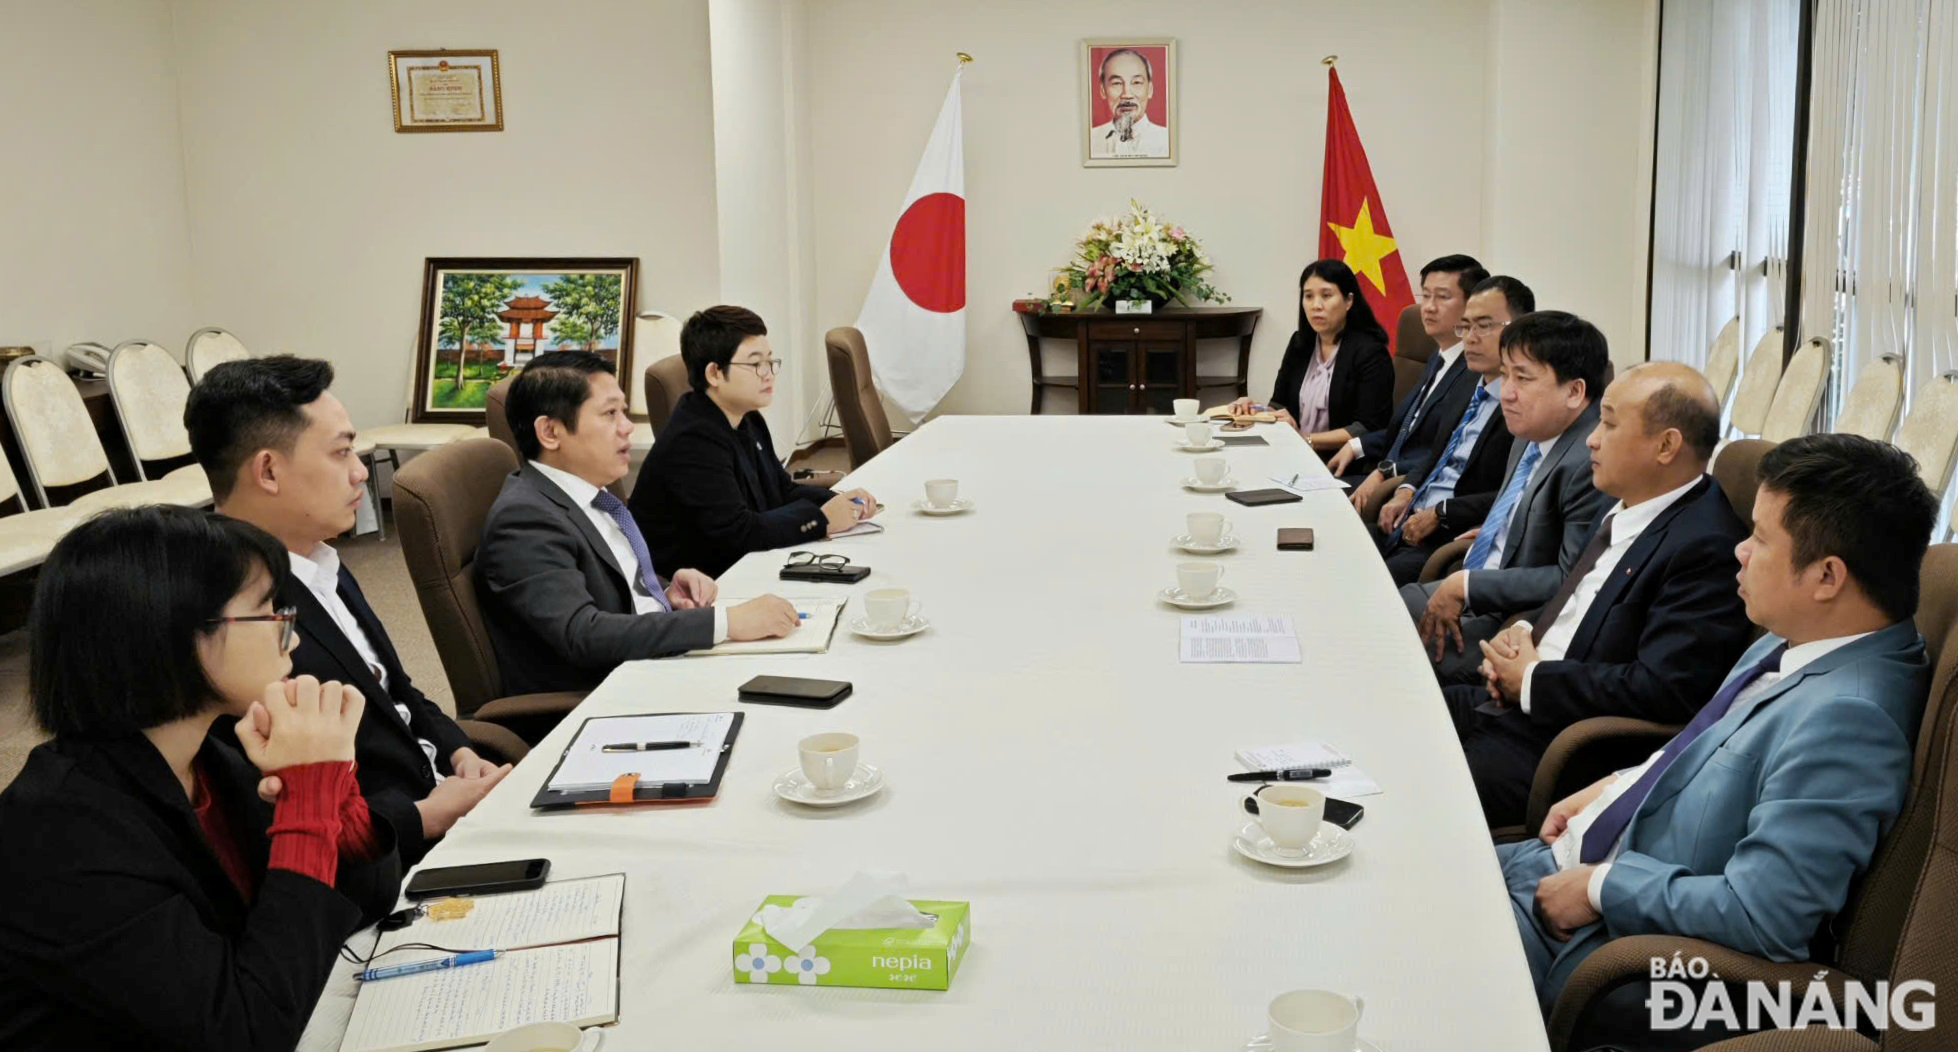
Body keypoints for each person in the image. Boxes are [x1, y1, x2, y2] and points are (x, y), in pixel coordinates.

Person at [1498, 433, 1936, 1013]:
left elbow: (1765, 914)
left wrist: (1601, 889)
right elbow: (1709, 744)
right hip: (1568, 859)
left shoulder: (1851, 719)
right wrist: (1613, 790)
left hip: (1593, 931)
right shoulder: (1796, 638)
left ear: (1828, 577)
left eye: (1758, 538)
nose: (1740, 551)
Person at [0, 506, 401, 1051]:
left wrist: (332, 791)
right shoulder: (61, 831)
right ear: (169, 635)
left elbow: (368, 900)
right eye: (271, 614)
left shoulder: (211, 756)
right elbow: (248, 1031)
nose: (295, 639)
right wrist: (307, 801)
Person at [185, 356, 507, 867]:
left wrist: (458, 751)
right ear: (268, 470)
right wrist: (428, 814)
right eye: (340, 453)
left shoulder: (316, 556)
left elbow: (395, 690)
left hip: (444, 798)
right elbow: (270, 809)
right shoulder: (230, 614)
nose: (360, 472)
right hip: (382, 858)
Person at [1441, 364, 1752, 825]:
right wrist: (1524, 634)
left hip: (1561, 748)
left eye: (1608, 423)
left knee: (1419, 790)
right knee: (1393, 709)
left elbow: (1664, 691)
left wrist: (1530, 679)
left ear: (1666, 445)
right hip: (1516, 704)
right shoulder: (1628, 501)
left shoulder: (1706, 546)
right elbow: (1579, 601)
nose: (1592, 438)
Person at [477, 350, 801, 695]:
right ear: (550, 432)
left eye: (624, 412)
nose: (627, 427)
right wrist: (725, 623)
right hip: (612, 694)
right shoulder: (525, 520)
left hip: (655, 662)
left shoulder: (587, 492)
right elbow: (583, 634)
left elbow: (609, 584)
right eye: (610, 413)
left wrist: (662, 591)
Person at [1404, 310, 1615, 683]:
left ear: (1575, 391)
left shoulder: (1590, 460)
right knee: (1376, 607)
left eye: (1523, 377)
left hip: (1511, 623)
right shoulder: (1527, 432)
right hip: (1480, 581)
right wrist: (1494, 527)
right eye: (1505, 374)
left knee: (1388, 648)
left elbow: (1570, 579)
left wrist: (1467, 585)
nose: (1507, 392)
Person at [630, 306, 878, 579]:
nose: (769, 373)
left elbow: (781, 491)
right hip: (701, 587)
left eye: (770, 361)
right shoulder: (692, 440)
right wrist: (822, 520)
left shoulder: (747, 418)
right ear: (714, 374)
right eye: (755, 364)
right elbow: (739, 533)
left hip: (744, 564)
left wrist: (840, 502)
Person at [1373, 277, 1528, 583]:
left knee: (1368, 583)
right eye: (1465, 326)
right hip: (1408, 520)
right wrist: (1406, 490)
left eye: (1484, 326)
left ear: (1519, 330)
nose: (1470, 338)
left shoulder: (1521, 406)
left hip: (1447, 538)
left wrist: (1443, 512)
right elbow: (1436, 453)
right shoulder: (1466, 383)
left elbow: (1515, 492)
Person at [1327, 255, 1488, 491]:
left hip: (1408, 486)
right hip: (1381, 472)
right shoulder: (1438, 357)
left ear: (1472, 305)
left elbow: (1448, 451)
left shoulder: (1476, 372)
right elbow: (1406, 431)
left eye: (1442, 297)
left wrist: (1387, 474)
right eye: (1426, 296)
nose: (1429, 307)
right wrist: (1356, 445)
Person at [1227, 259, 1393, 455]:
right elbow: (1280, 405)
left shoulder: (1370, 352)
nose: (1316, 305)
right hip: (1295, 451)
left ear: (1349, 301)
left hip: (1342, 463)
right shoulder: (1300, 344)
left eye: (1326, 295)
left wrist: (1305, 440)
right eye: (1308, 296)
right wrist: (1253, 410)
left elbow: (1368, 427)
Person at [1089, 48, 1169, 159]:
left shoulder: (1168, 140)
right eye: (1117, 83)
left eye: (1136, 82)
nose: (1126, 94)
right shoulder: (1089, 139)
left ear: (1150, 90)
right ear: (1103, 91)